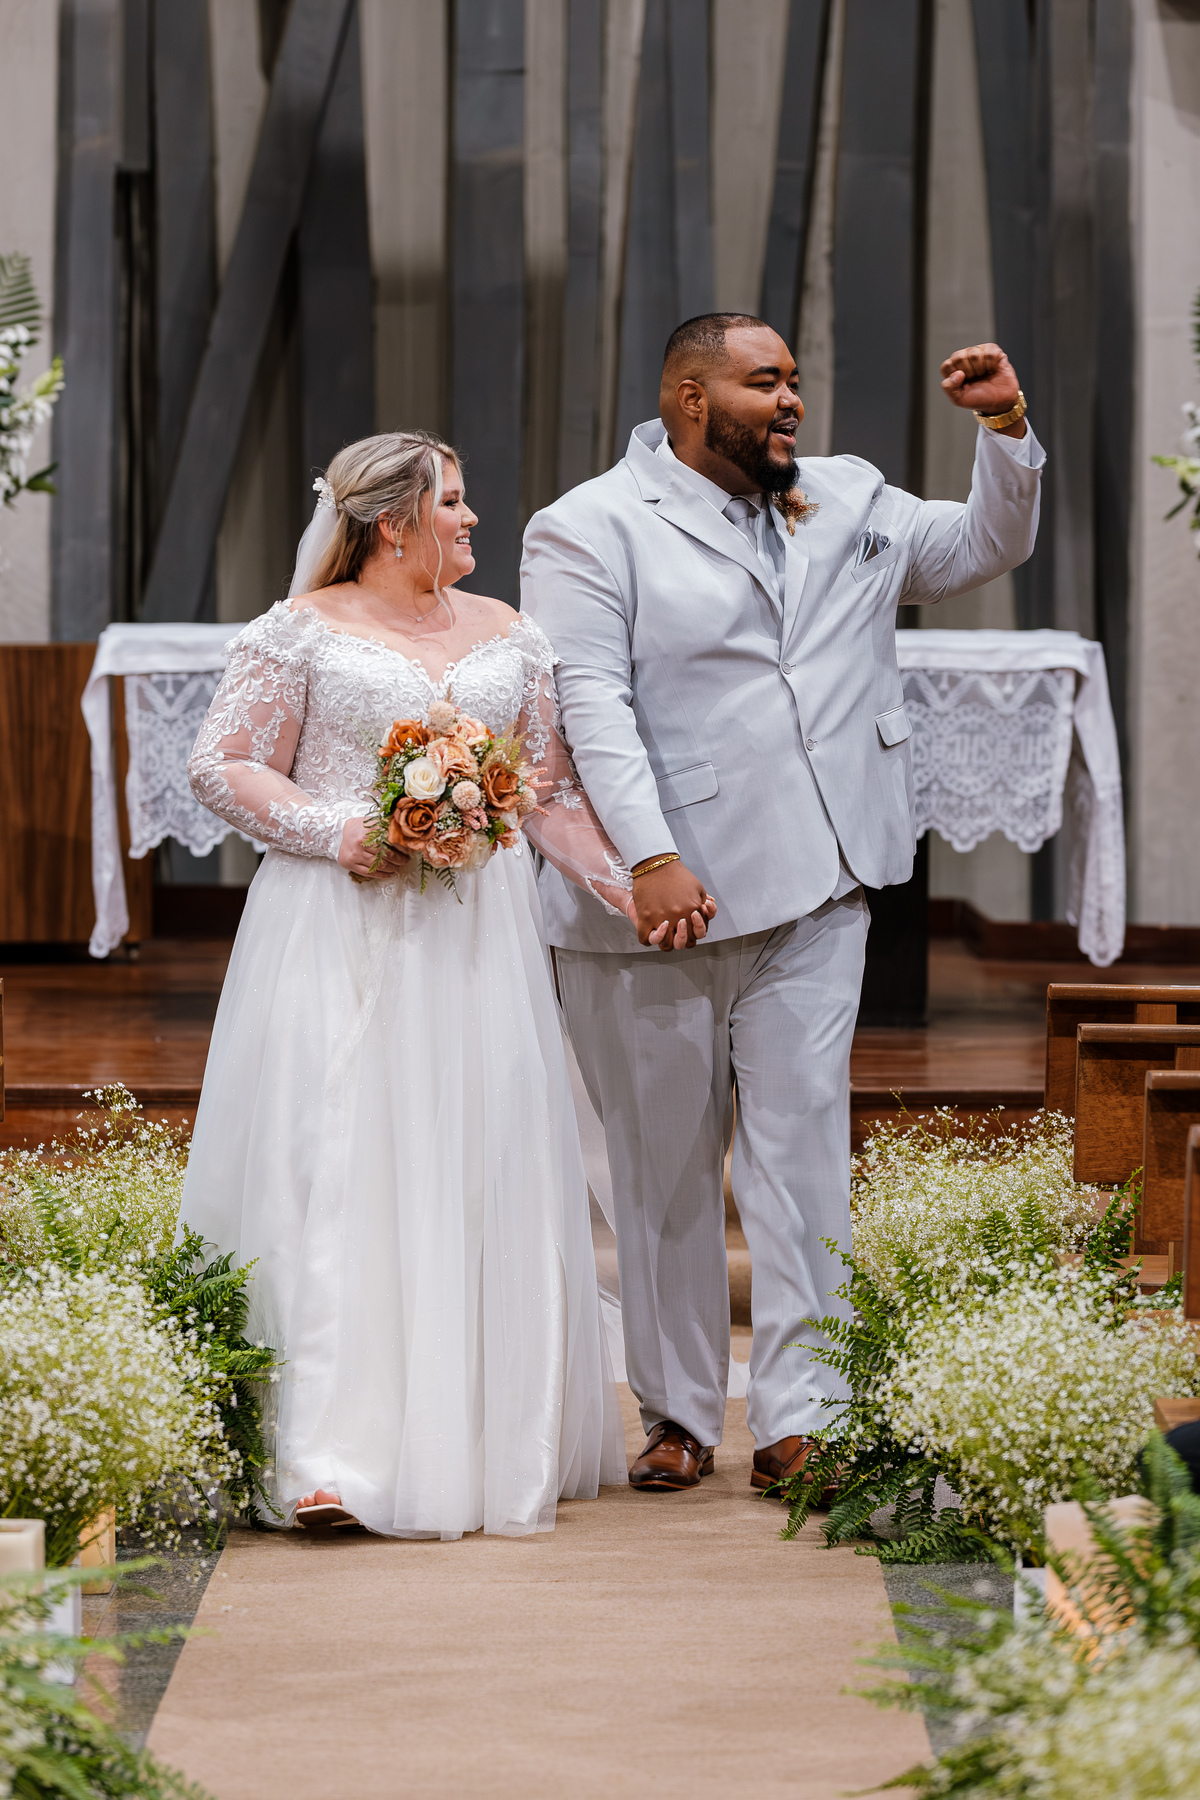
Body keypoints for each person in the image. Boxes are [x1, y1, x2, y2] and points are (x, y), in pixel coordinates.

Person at [520, 318, 1044, 1493]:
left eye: (797, 379)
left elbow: (980, 546)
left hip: (820, 877)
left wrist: (1005, 431)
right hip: (658, 903)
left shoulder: (847, 496)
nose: (793, 401)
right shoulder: (589, 525)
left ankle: (806, 1411)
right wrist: (645, 856)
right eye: (768, 383)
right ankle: (677, 1412)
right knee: (661, 1174)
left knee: (805, 1155)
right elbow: (589, 700)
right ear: (693, 399)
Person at [181, 430, 647, 1539]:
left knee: (472, 1163)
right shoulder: (297, 632)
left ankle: (481, 1435)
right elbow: (221, 764)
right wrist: (339, 829)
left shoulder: (514, 638)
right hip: (336, 927)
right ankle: (324, 1458)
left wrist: (629, 883)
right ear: (393, 523)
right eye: (454, 500)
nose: (472, 517)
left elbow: (543, 793)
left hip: (476, 943)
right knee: (337, 1166)